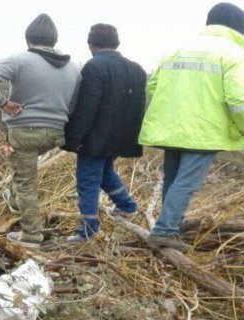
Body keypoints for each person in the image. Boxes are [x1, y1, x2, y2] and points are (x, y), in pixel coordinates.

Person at [139, 2, 244, 251]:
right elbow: (239, 99)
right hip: (203, 131)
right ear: (239, 29)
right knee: (187, 182)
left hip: (171, 127)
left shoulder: (177, 48)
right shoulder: (234, 53)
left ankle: (172, 224)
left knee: (173, 178)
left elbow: (153, 86)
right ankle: (164, 231)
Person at [0, 13, 81, 248]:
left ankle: (31, 235)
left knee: (25, 184)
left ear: (27, 39)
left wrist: (3, 103)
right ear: (54, 40)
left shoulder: (21, 59)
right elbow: (74, 104)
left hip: (25, 132)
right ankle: (16, 203)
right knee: (20, 177)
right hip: (55, 134)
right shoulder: (73, 68)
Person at [62, 24, 147, 243]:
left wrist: (74, 140)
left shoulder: (94, 66)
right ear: (116, 43)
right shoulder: (136, 69)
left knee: (87, 181)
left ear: (91, 44)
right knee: (105, 171)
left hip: (96, 138)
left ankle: (87, 232)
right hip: (122, 137)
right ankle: (127, 206)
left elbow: (86, 108)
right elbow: (138, 107)